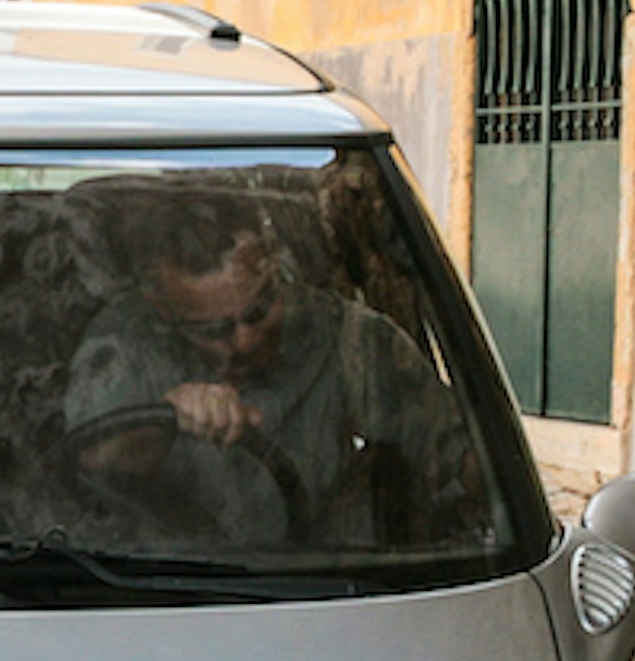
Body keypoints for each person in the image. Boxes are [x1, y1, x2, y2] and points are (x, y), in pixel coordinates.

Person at [62, 191, 477, 551]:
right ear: (163, 307)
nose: (244, 340)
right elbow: (90, 477)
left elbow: (464, 461)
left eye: (259, 311)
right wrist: (162, 423)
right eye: (214, 329)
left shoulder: (351, 341)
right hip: (152, 589)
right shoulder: (125, 343)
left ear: (276, 271)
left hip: (330, 585)